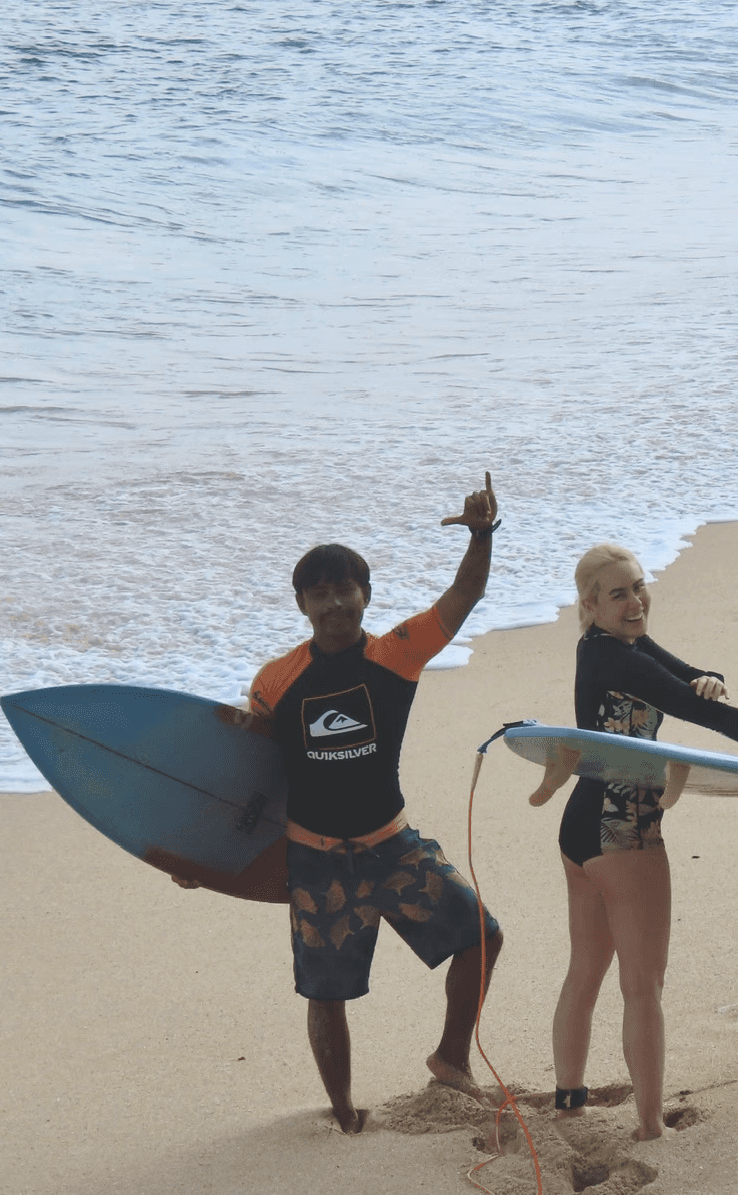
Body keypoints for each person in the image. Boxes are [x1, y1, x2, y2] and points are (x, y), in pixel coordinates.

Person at [191, 475, 504, 1134]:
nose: (335, 602)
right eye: (321, 592)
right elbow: (250, 782)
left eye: (346, 588)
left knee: (481, 933)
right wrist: (207, 858)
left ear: (366, 594)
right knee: (325, 990)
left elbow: (465, 594)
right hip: (317, 859)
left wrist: (481, 534)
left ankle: (451, 1059)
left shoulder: (398, 653)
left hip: (393, 845)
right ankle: (341, 1108)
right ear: (302, 601)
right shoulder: (276, 681)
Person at [528, 543, 738, 1141]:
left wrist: (708, 678)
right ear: (590, 604)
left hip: (579, 828)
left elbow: (687, 679)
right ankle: (649, 1127)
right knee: (643, 986)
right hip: (625, 832)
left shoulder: (617, 645)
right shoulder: (618, 655)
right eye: (618, 593)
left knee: (585, 971)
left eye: (640, 586)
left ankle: (569, 1102)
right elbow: (715, 720)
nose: (636, 600)